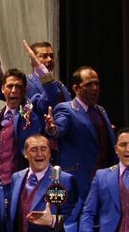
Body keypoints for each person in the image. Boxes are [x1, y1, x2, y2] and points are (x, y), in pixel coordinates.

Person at [46, 66, 115, 200]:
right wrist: (51, 128)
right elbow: (58, 129)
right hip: (78, 180)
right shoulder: (66, 109)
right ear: (76, 88)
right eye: (89, 84)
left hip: (103, 179)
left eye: (97, 83)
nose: (95, 88)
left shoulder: (100, 110)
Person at [0, 62, 50, 187]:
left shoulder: (32, 110)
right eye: (10, 86)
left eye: (18, 86)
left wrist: (39, 66)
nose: (14, 90)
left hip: (23, 184)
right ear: (3, 88)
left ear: (25, 89)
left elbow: (51, 94)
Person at [0, 41, 72, 105]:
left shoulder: (59, 84)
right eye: (44, 56)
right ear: (32, 59)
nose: (49, 59)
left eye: (51, 56)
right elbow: (0, 93)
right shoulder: (24, 82)